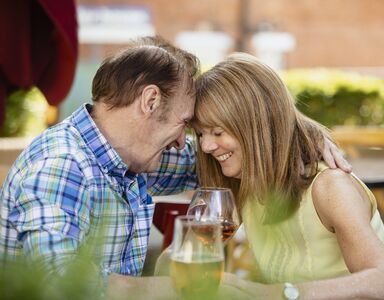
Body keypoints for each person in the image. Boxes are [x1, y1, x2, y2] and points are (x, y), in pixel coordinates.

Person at [0, 35, 347, 290]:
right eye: (184, 123)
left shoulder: (127, 157)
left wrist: (307, 134)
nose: (188, 142)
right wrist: (188, 289)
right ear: (150, 101)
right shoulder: (62, 166)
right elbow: (62, 287)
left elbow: (237, 153)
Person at [191, 53, 384, 299]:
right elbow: (181, 258)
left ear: (257, 126)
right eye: (201, 134)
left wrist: (280, 294)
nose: (206, 146)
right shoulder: (244, 187)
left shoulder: (330, 187)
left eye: (217, 132)